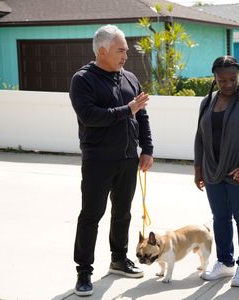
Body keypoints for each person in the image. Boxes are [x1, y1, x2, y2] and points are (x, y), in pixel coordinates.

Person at [69, 24, 154, 297]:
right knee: (91, 215)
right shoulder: (82, 79)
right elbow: (90, 116)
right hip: (98, 161)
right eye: (121, 50)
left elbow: (141, 116)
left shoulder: (129, 77)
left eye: (126, 50)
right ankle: (84, 271)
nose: (125, 55)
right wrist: (126, 109)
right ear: (102, 50)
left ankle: (119, 259)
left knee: (123, 213)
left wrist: (148, 148)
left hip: (129, 159)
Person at [194, 56, 239, 287]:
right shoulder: (207, 102)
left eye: (232, 79)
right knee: (220, 218)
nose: (227, 84)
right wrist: (198, 168)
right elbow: (200, 137)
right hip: (212, 169)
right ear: (214, 78)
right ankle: (225, 262)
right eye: (221, 80)